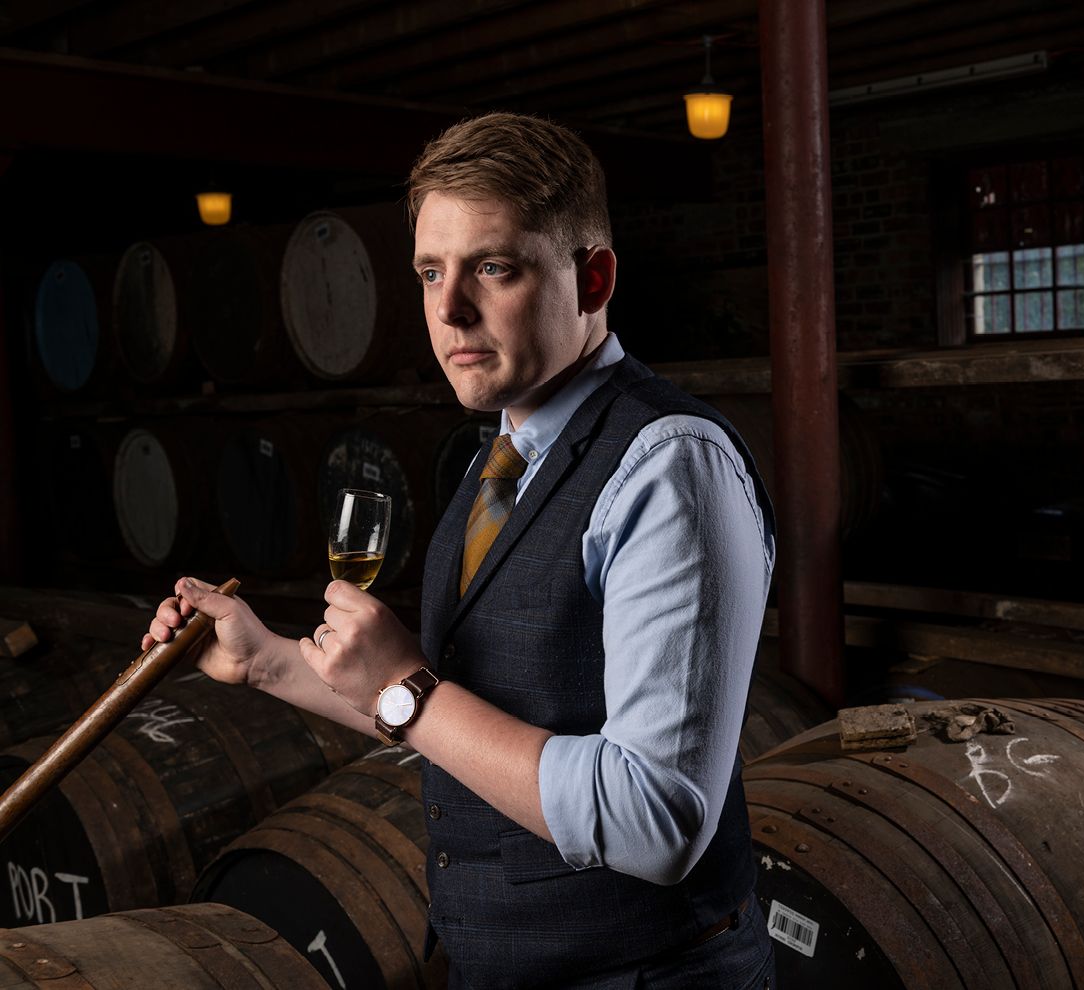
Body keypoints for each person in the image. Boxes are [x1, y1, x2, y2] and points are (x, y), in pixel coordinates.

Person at [143, 112, 776, 990]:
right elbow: (454, 713)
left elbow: (654, 818)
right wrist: (271, 664)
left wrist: (407, 690)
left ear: (592, 279)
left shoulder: (669, 467)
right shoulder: (500, 454)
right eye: (430, 272)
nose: (448, 310)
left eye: (492, 267)